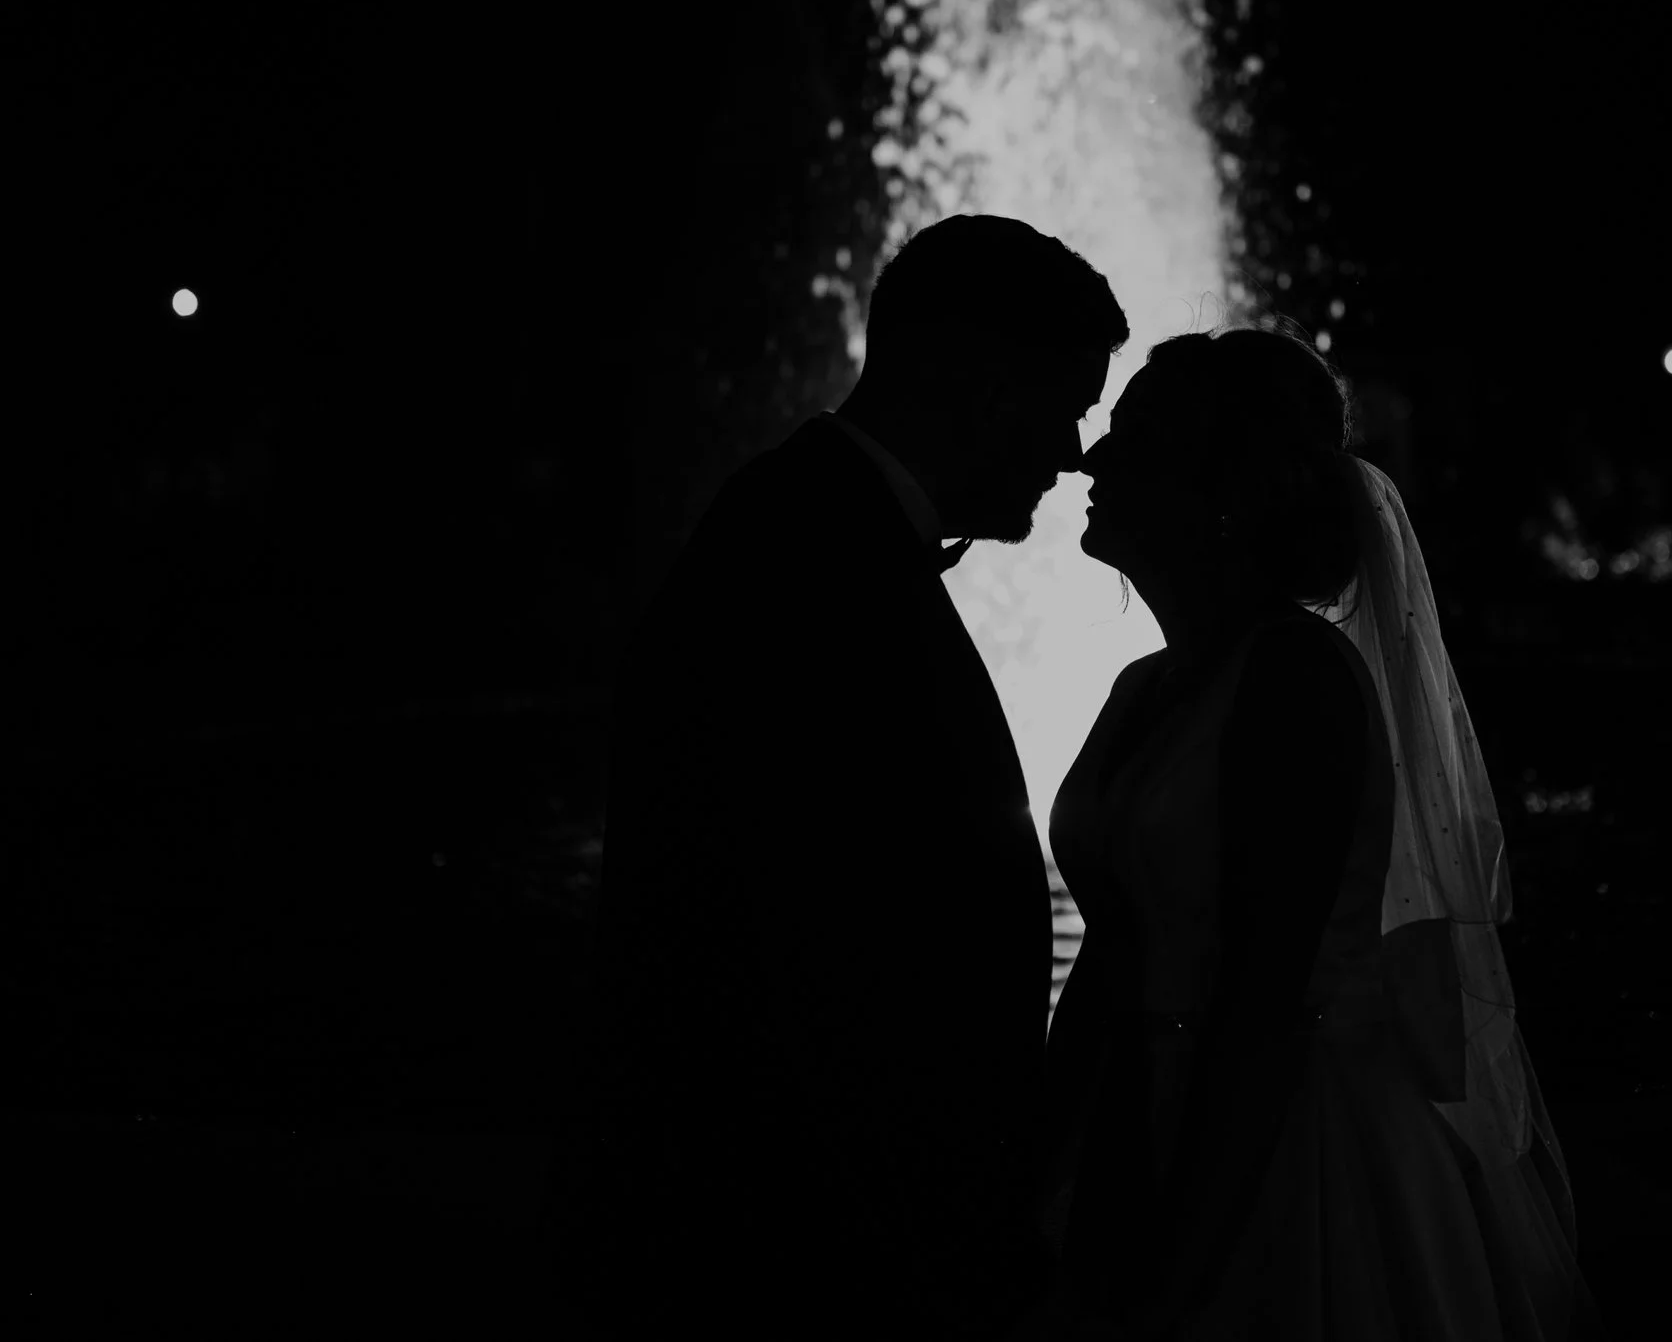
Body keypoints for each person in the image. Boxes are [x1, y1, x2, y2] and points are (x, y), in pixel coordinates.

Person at [556, 215, 1124, 1339]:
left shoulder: (820, 526)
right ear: (977, 382)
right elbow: (779, 941)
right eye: (1064, 402)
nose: (1070, 451)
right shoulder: (805, 556)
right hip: (801, 1245)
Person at [1038, 321, 1604, 1339]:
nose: (1092, 455)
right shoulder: (1143, 687)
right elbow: (1116, 946)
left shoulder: (1295, 680)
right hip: (1140, 1110)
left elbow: (1265, 997)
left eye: (1136, 436)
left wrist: (1186, 1245)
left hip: (1283, 1144)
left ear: (1221, 494)